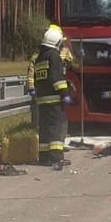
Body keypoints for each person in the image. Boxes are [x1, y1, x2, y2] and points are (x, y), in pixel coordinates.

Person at [33, 25, 72, 168]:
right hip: (54, 99)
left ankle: (44, 158)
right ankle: (56, 158)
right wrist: (65, 93)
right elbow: (56, 78)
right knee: (57, 128)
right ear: (56, 42)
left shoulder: (39, 58)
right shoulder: (54, 56)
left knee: (44, 129)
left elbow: (39, 78)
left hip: (42, 100)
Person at [27, 25, 78, 125]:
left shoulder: (65, 50)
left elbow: (74, 65)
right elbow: (32, 69)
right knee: (49, 117)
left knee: (58, 116)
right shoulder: (40, 53)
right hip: (48, 85)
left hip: (60, 85)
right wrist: (31, 86)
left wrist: (78, 58)